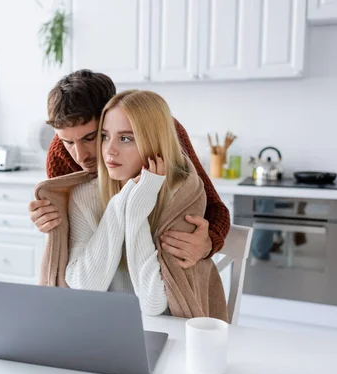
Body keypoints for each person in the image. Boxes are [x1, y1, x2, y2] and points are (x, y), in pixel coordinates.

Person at [37, 90, 228, 320]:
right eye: (105, 137)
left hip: (161, 326)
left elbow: (153, 304)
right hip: (99, 320)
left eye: (125, 138)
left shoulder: (180, 191)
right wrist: (123, 203)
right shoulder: (80, 190)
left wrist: (137, 211)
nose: (108, 150)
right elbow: (83, 288)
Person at [29, 70, 230, 267]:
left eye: (90, 138)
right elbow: (73, 236)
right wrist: (51, 222)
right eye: (67, 141)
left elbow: (215, 207)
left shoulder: (160, 131)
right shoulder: (59, 155)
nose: (80, 156)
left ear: (110, 116)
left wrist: (208, 243)